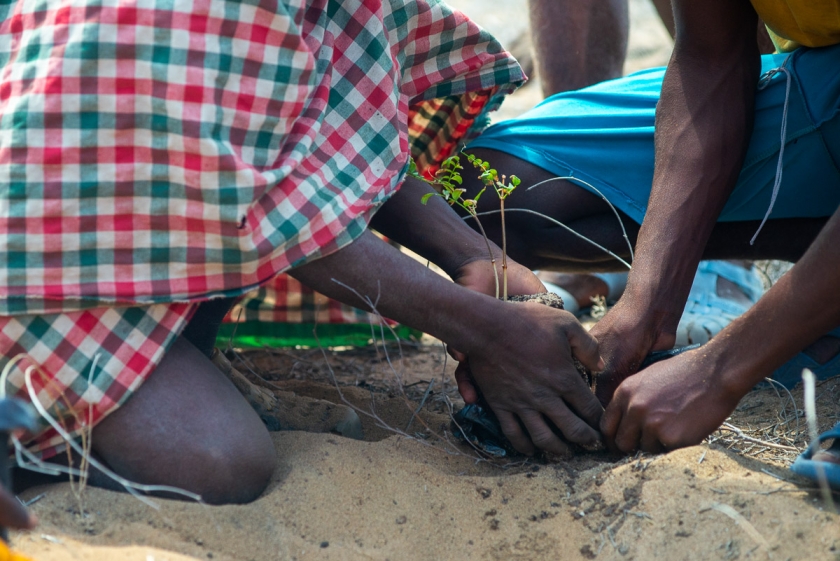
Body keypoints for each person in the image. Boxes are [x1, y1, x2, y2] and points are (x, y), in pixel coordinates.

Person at [0, 0, 607, 505]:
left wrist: (478, 258)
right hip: (37, 250)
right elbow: (249, 208)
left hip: (131, 219)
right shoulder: (172, 19)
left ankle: (173, 352)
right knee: (214, 465)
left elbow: (330, 118)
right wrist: (486, 329)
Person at [453, 0, 840, 480]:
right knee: (486, 188)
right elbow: (710, 57)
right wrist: (644, 309)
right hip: (821, 80)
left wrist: (717, 371)